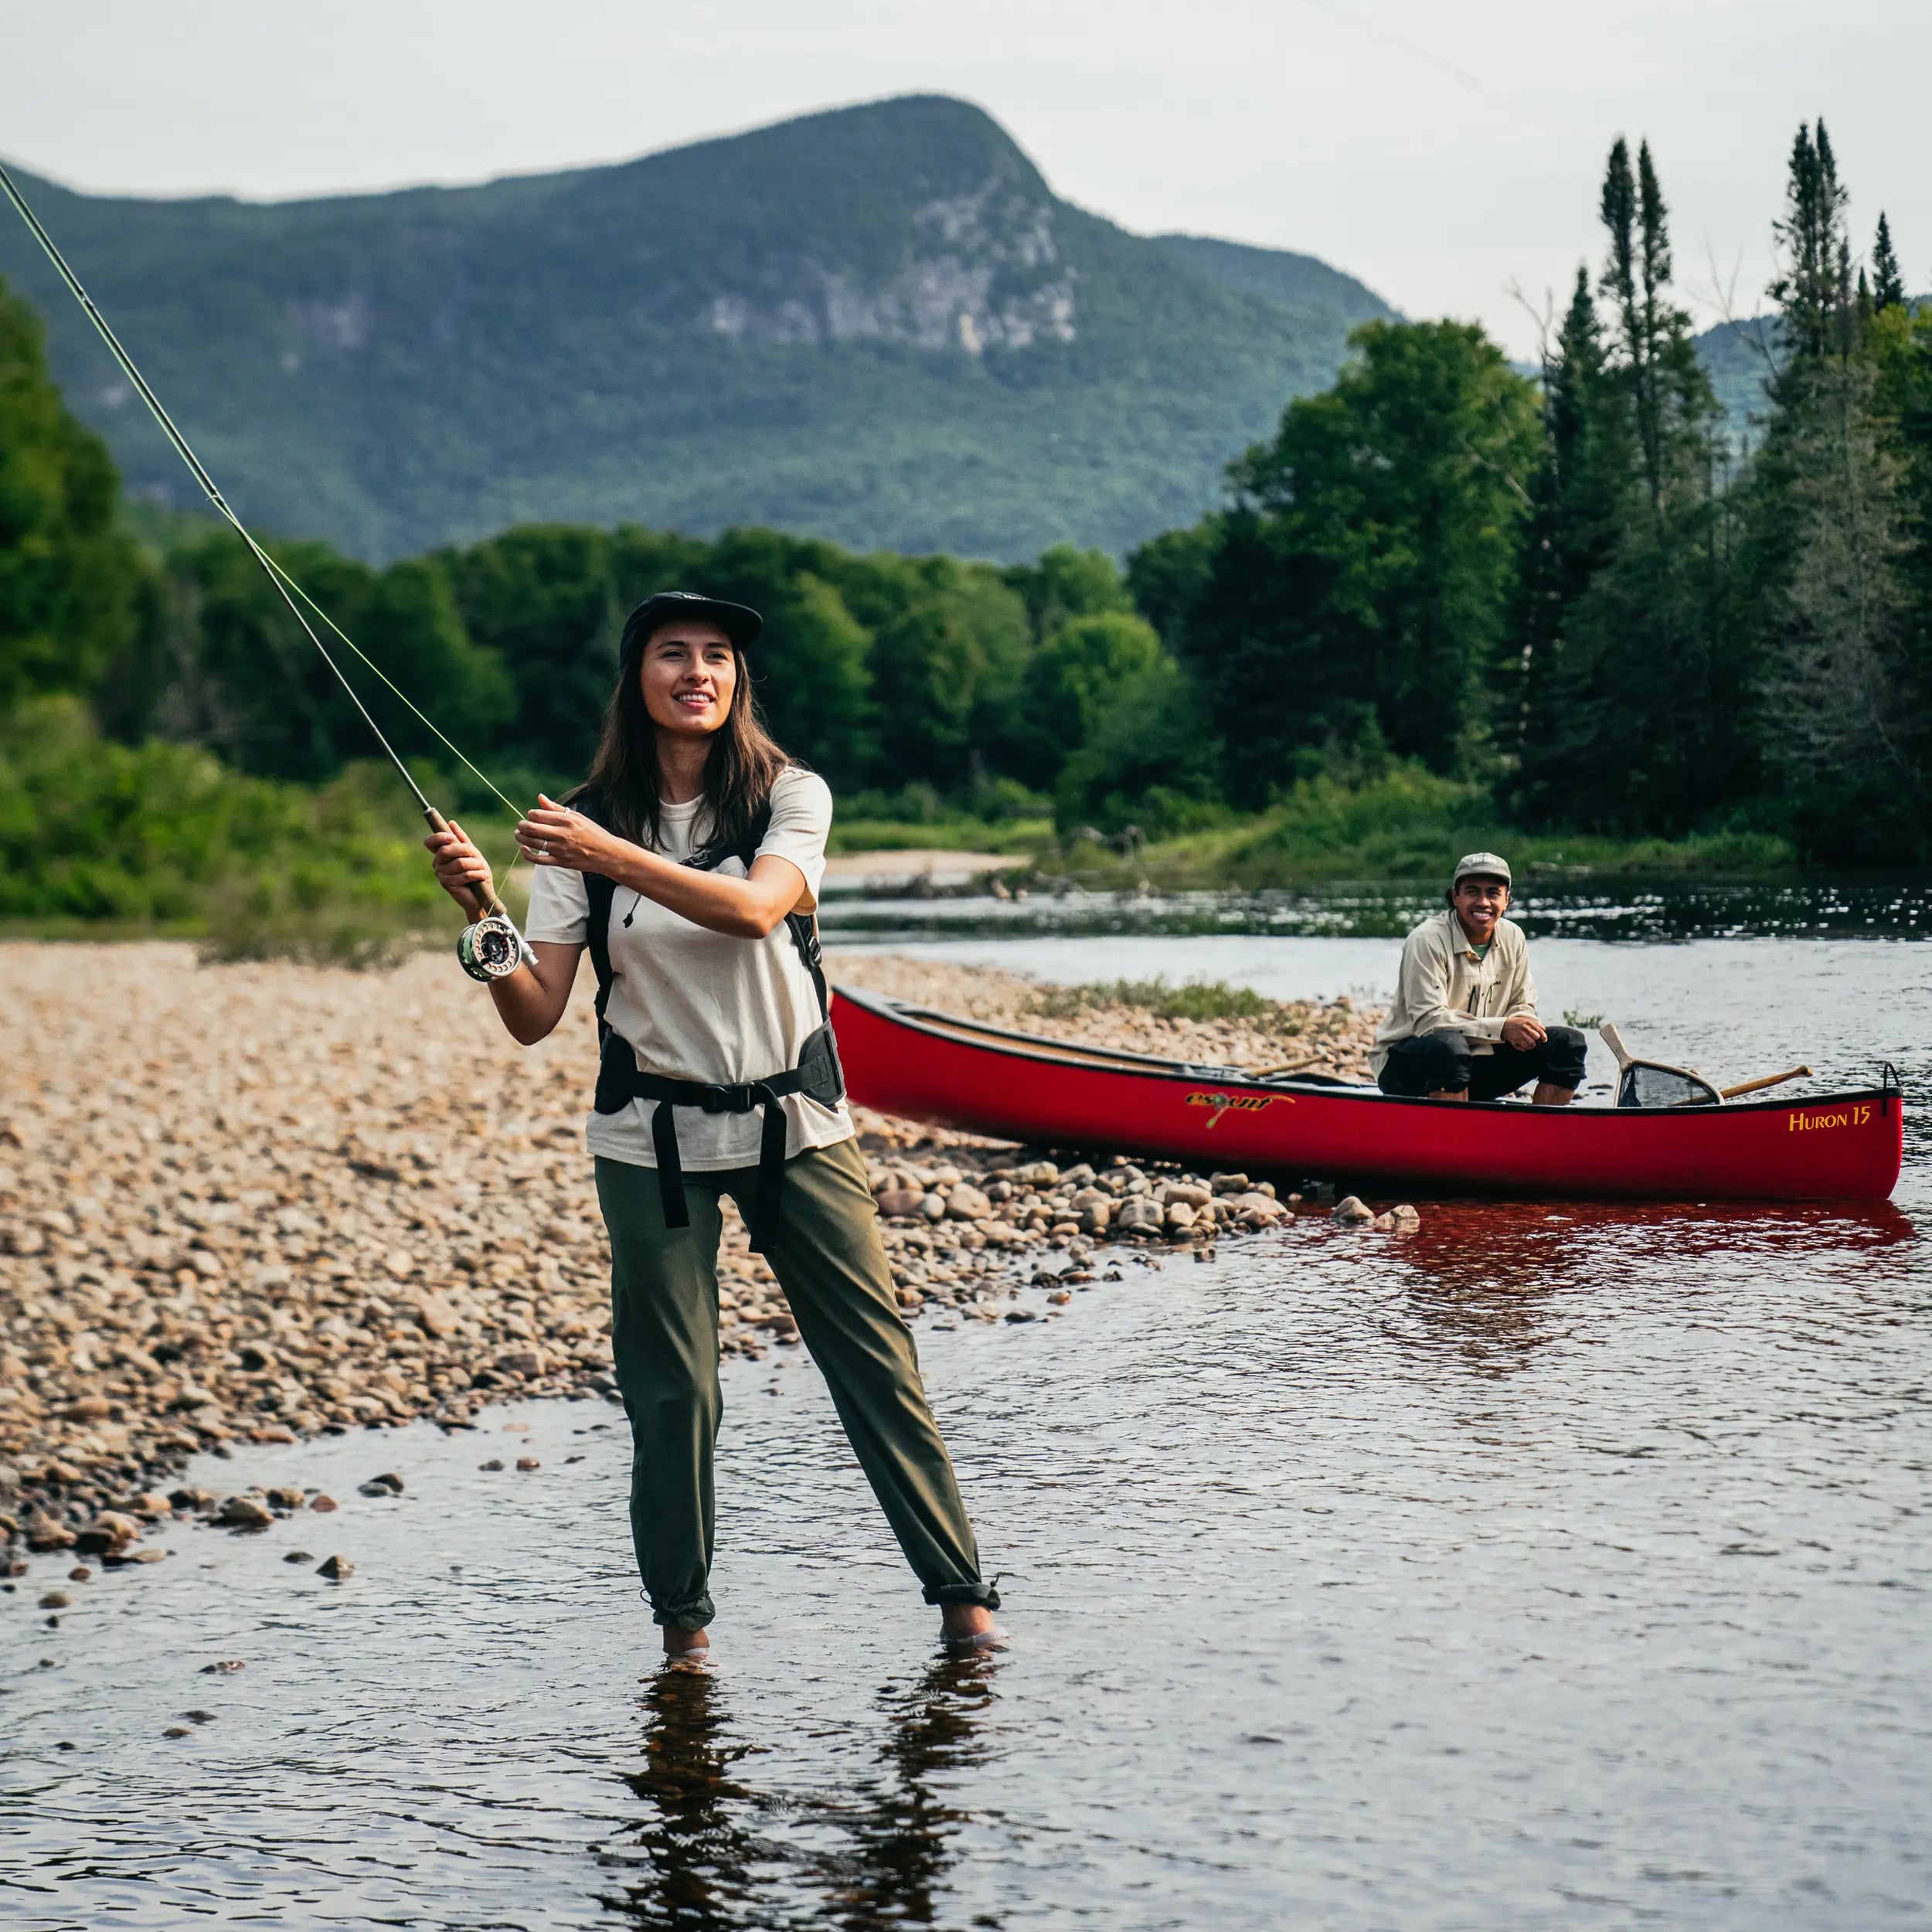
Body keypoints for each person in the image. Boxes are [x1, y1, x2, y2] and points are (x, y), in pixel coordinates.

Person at [425, 590, 1001, 1661]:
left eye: (718, 656)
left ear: (738, 682)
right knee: (674, 1393)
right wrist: (484, 921)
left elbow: (753, 910)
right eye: (672, 653)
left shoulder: (791, 797)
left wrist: (604, 853)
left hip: (799, 1127)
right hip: (651, 1145)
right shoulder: (580, 829)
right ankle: (683, 1640)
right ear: (635, 678)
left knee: (875, 1366)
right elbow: (535, 1017)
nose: (697, 670)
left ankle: (966, 1607)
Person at [1369, 852, 1586, 1104]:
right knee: (1449, 1047)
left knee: (1568, 1044)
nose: (1483, 902)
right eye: (1472, 892)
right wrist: (1502, 1029)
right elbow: (1429, 1022)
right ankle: (1450, 1136)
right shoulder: (1427, 939)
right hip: (1408, 1064)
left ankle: (1540, 1136)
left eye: (1493, 893)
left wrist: (1525, 1028)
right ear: (1455, 897)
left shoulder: (1513, 936)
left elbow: (1522, 1003)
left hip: (1476, 1063)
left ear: (1507, 900)